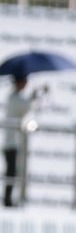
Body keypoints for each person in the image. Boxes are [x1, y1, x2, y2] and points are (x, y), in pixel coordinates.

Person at [3, 76, 42, 207]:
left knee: (13, 171)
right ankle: (7, 199)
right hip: (11, 142)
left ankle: (9, 198)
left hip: (13, 141)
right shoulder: (14, 98)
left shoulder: (14, 97)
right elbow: (25, 107)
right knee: (11, 171)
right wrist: (34, 96)